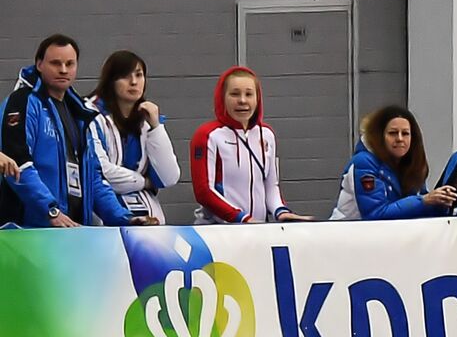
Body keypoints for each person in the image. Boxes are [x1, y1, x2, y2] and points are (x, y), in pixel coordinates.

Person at [0, 34, 143, 228]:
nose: (63, 70)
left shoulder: (80, 113)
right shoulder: (22, 103)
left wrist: (123, 218)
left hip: (72, 231)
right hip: (28, 232)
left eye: (70, 63)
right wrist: (50, 211)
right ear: (39, 64)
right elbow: (18, 165)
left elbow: (94, 178)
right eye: (56, 63)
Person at [191, 66, 312, 223]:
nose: (242, 100)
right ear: (222, 97)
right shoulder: (208, 135)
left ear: (257, 98)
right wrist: (241, 218)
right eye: (234, 94)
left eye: (249, 94)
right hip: (220, 232)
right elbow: (204, 192)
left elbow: (271, 185)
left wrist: (280, 211)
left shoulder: (266, 134)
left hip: (257, 230)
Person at [87, 50, 180, 224]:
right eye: (125, 76)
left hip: (151, 221)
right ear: (111, 80)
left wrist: (156, 128)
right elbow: (102, 172)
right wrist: (144, 182)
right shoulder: (90, 115)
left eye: (139, 75)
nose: (134, 82)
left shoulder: (147, 120)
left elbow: (169, 177)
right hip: (105, 222)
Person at [330, 105, 457, 220]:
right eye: (393, 133)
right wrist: (424, 201)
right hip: (348, 235)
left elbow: (419, 209)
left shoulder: (411, 163)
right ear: (379, 136)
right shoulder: (363, 162)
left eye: (405, 133)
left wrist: (441, 202)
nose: (400, 139)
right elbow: (375, 214)